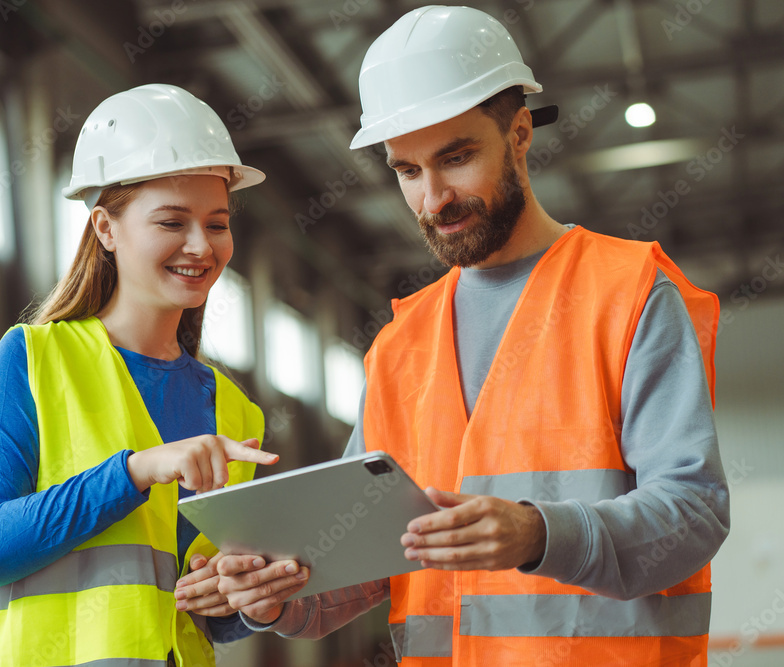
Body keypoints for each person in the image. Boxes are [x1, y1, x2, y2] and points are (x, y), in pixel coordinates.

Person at [176, 6, 729, 665]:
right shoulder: (401, 346)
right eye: (406, 170)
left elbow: (694, 513)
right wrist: (277, 595)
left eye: (456, 157)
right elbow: (370, 555)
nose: (433, 198)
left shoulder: (630, 293)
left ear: (520, 133)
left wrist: (538, 532)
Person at [0, 83, 278, 667]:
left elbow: (197, 617)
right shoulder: (33, 358)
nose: (201, 246)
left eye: (217, 223)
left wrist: (241, 594)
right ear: (106, 229)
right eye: (172, 222)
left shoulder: (236, 410)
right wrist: (136, 471)